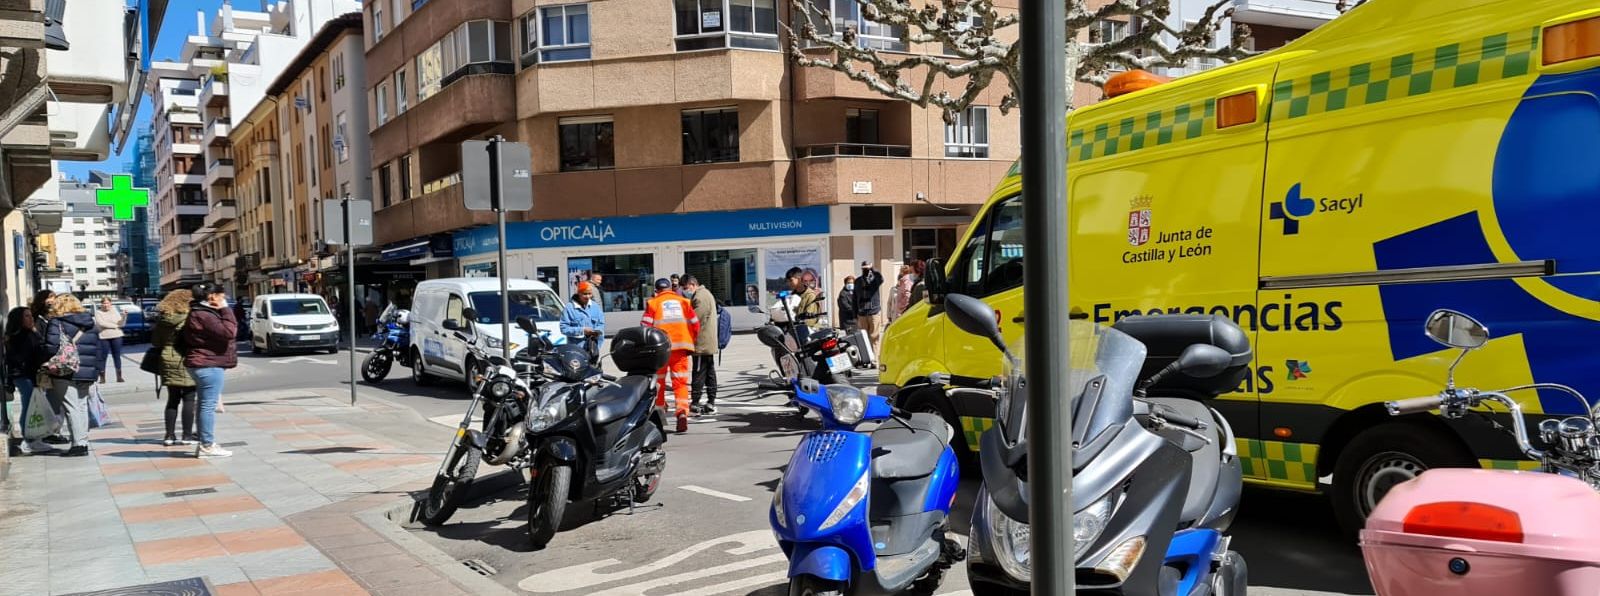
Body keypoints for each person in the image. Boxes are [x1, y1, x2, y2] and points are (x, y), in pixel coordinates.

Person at [40, 294, 102, 457]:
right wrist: (97, 370)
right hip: (86, 371)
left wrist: (45, 360)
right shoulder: (90, 322)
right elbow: (99, 348)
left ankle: (78, 444)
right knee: (81, 406)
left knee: (71, 407)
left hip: (65, 370)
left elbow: (51, 347)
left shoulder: (57, 322)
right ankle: (82, 441)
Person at [183, 282, 238, 458]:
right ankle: (207, 445)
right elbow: (229, 331)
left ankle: (205, 443)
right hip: (207, 363)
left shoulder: (200, 312)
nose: (225, 299)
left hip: (203, 362)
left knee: (204, 405)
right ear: (212, 296)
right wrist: (225, 309)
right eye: (222, 296)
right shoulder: (205, 315)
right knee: (207, 405)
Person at [641, 278, 699, 433]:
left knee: (658, 383)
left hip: (660, 350)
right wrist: (690, 340)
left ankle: (659, 416)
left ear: (657, 290)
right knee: (680, 383)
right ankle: (681, 413)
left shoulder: (653, 303)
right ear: (670, 288)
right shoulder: (684, 302)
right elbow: (695, 324)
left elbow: (645, 327)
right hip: (680, 349)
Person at [151, 289, 198, 447]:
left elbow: (155, 343)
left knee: (172, 399)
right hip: (187, 359)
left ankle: (169, 435)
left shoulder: (163, 320)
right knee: (189, 399)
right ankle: (187, 436)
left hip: (167, 359)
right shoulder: (189, 318)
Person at [6, 306, 50, 454]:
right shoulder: (18, 336)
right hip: (23, 375)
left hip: (30, 375)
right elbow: (20, 358)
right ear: (19, 319)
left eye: (31, 316)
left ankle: (33, 438)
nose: (31, 319)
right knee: (29, 406)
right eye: (27, 316)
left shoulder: (30, 333)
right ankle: (29, 439)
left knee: (32, 405)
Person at [680, 276, 719, 417]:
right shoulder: (704, 294)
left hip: (701, 343)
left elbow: (694, 320)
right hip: (707, 341)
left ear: (692, 284)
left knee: (698, 372)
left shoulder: (700, 297)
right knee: (709, 371)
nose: (684, 291)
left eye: (685, 288)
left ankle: (696, 401)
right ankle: (711, 401)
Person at [560, 281, 606, 356]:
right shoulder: (569, 308)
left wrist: (597, 331)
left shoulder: (595, 306)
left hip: (593, 349)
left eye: (589, 294)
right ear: (579, 293)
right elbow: (564, 329)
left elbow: (601, 324)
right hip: (576, 351)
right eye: (585, 294)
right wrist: (582, 330)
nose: (587, 296)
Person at [93, 297, 127, 383]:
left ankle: (119, 377)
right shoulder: (98, 312)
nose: (106, 305)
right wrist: (115, 326)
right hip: (104, 337)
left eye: (107, 303)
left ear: (110, 303)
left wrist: (124, 316)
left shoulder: (115, 311)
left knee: (117, 356)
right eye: (104, 303)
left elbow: (121, 324)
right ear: (101, 304)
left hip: (117, 335)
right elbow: (101, 323)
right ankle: (102, 377)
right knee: (102, 357)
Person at [853, 261, 885, 346]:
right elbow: (854, 298)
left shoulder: (875, 280)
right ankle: (867, 357)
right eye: (864, 268)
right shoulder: (858, 281)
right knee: (863, 338)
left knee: (874, 337)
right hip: (862, 313)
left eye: (867, 268)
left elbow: (881, 278)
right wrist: (855, 314)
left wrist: (872, 268)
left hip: (873, 312)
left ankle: (874, 358)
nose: (865, 270)